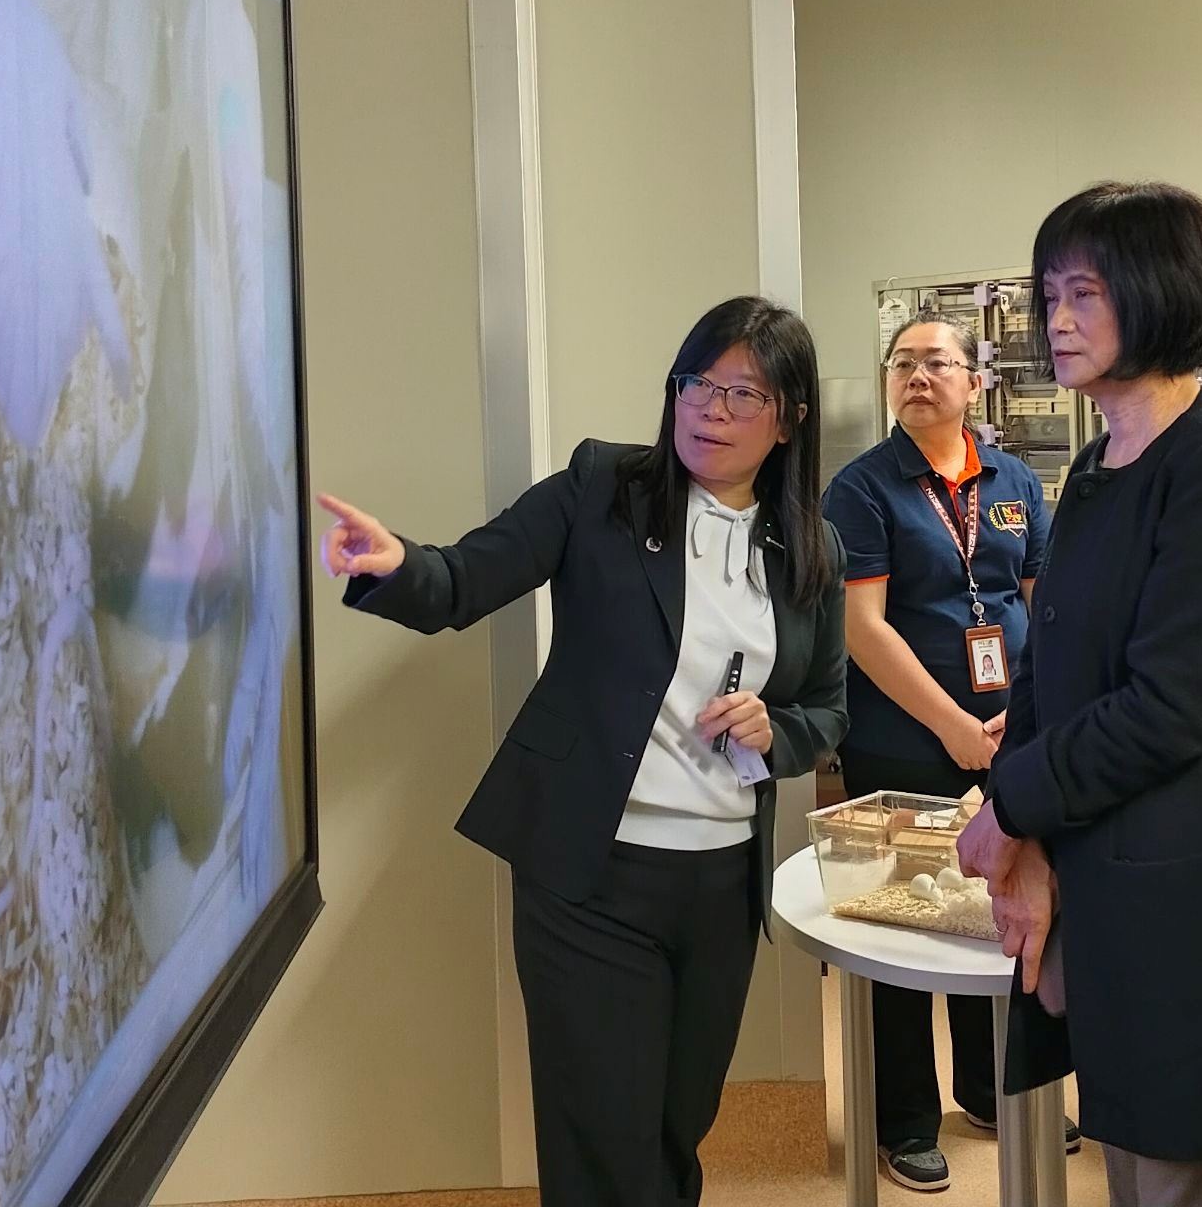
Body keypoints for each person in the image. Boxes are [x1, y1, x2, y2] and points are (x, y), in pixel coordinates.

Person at [317, 296, 850, 1207]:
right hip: (592, 875)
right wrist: (396, 563)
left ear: (789, 419)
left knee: (677, 1126)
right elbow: (464, 577)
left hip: (721, 884)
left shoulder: (811, 546)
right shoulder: (604, 488)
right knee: (602, 1137)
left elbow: (827, 709)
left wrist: (777, 729)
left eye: (743, 394)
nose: (710, 410)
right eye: (696, 383)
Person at [955, 181, 1202, 1207]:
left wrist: (1014, 807)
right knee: (1138, 1167)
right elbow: (1048, 660)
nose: (1057, 318)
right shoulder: (1102, 461)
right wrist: (1018, 813)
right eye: (1050, 293)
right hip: (1117, 888)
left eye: (1085, 292)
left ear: (1163, 293)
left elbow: (1171, 706)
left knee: (1187, 1167)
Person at [820, 315, 1063, 1192]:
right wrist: (954, 726)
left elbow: (1041, 600)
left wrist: (1024, 714)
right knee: (903, 922)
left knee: (994, 913)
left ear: (975, 382)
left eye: (937, 363)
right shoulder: (862, 488)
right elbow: (863, 627)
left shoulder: (1014, 480)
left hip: (1010, 732)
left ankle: (991, 1090)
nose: (918, 376)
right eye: (903, 364)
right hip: (904, 738)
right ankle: (905, 1121)